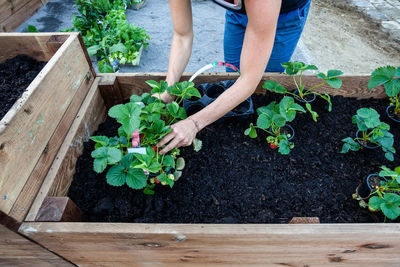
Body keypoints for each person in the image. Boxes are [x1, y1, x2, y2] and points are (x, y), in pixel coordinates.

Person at [156, 0, 311, 154]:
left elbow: (249, 79)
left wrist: (194, 123)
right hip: (240, 12)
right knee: (233, 75)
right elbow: (182, 36)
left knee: (262, 85)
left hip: (283, 17)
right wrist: (168, 90)